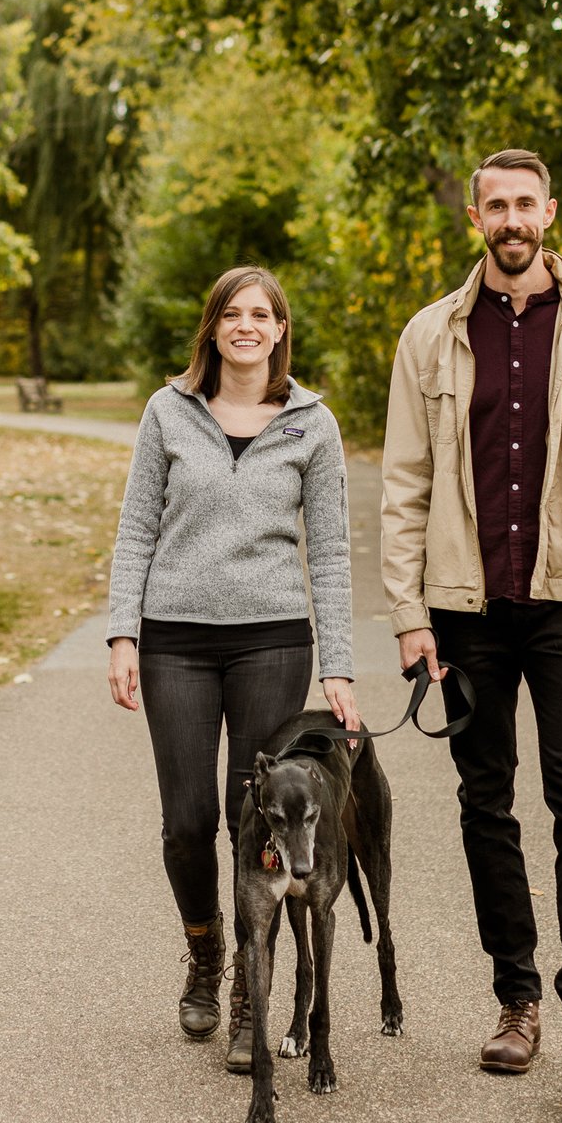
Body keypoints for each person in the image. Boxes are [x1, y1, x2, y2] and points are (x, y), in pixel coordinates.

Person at [380, 149, 562, 1098]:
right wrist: (409, 616)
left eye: (525, 204)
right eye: (495, 205)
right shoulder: (429, 336)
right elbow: (405, 488)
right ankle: (517, 1000)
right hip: (468, 613)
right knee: (484, 804)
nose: (511, 219)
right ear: (475, 218)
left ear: (552, 211)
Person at [107, 265, 359, 1073]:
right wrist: (122, 635)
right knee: (187, 823)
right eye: (232, 313)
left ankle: (253, 987)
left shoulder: (311, 424)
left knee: (258, 824)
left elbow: (330, 550)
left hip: (273, 643)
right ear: (212, 328)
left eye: (262, 314)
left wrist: (341, 668)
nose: (247, 325)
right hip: (175, 639)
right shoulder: (167, 411)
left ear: (281, 330)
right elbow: (136, 529)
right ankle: (206, 952)